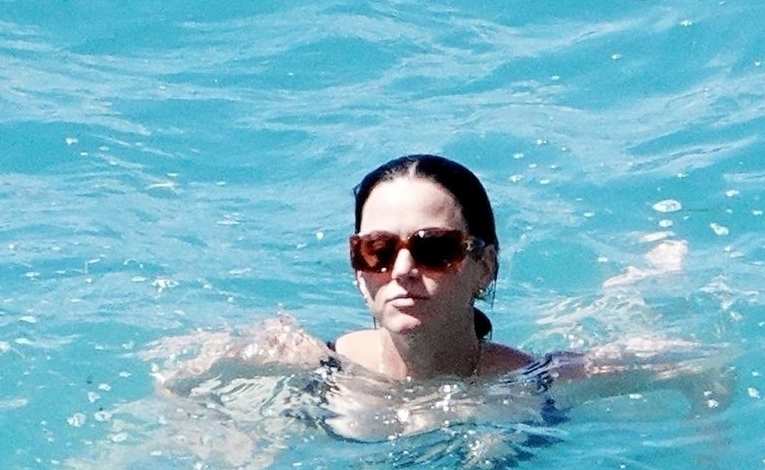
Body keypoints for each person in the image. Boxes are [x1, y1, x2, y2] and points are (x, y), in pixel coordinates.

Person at [148, 154, 729, 447]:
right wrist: (229, 449)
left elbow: (701, 364)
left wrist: (711, 445)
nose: (402, 270)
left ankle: (646, 280)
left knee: (624, 316)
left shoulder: (537, 382)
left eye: (433, 249)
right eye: (377, 250)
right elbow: (177, 381)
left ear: (484, 266)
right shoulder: (312, 365)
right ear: (357, 269)